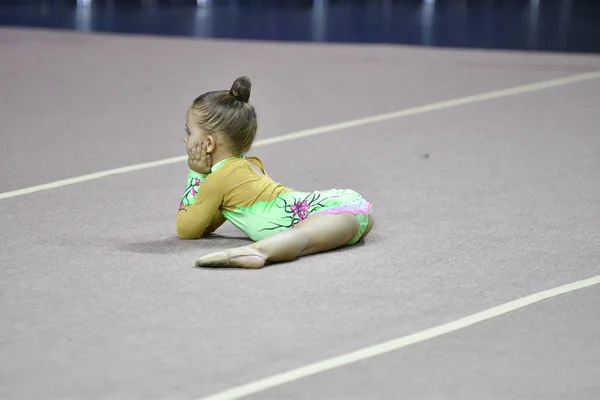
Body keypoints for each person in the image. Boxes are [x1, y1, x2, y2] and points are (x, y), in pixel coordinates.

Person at [176, 76, 374, 269]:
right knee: (306, 236)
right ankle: (265, 249)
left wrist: (196, 174)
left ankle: (258, 251)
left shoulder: (217, 180)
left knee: (301, 238)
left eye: (189, 132)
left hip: (328, 214)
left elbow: (187, 229)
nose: (186, 139)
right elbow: (206, 223)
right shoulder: (250, 165)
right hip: (349, 209)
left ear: (209, 143)